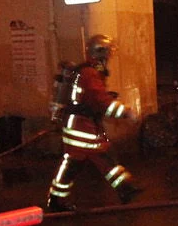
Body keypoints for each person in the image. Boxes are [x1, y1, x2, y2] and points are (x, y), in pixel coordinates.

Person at [45, 34, 139, 212]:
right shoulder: (90, 73)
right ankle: (56, 200)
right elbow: (100, 100)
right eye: (108, 52)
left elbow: (92, 97)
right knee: (91, 158)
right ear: (101, 52)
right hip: (81, 127)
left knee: (89, 159)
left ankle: (125, 188)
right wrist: (126, 112)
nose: (109, 57)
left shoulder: (87, 71)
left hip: (80, 124)